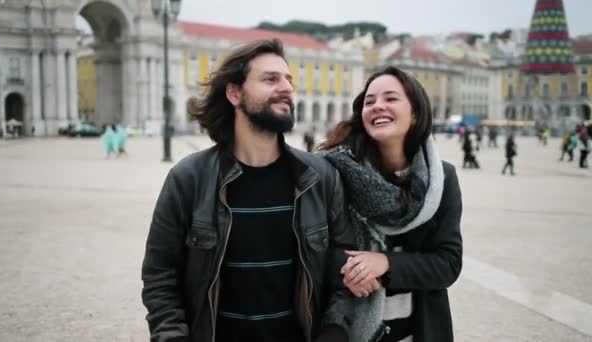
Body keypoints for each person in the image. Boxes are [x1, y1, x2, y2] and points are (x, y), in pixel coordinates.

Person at [141, 39, 355, 342]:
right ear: (234, 93)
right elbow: (159, 276)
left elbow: (344, 268)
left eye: (288, 80)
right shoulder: (188, 179)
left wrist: (334, 331)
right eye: (271, 79)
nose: (287, 88)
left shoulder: (321, 178)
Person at [320, 66, 463, 342]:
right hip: (343, 329)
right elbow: (313, 250)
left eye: (391, 99)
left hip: (417, 330)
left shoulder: (441, 179)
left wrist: (385, 264)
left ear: (416, 113)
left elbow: (448, 263)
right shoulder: (335, 172)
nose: (378, 106)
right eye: (369, 102)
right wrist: (354, 271)